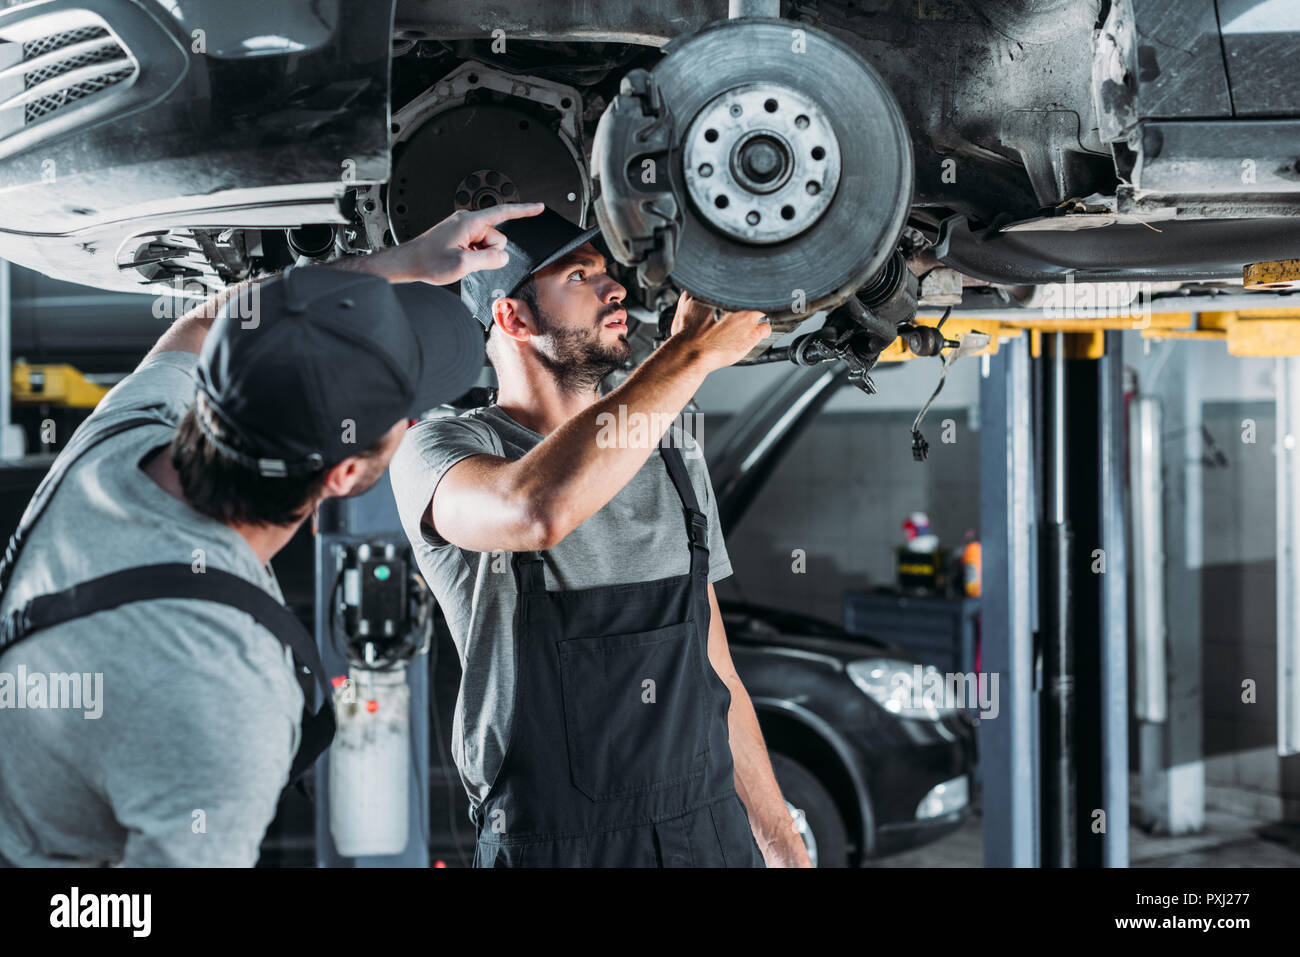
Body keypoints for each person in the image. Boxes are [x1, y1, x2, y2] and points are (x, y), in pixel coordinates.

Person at [0, 203, 544, 866]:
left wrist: (396, 266)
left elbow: (209, 319)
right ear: (345, 473)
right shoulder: (228, 700)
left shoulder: (125, 438)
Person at [389, 208, 813, 867]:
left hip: (706, 834)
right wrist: (688, 353)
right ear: (514, 319)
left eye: (609, 273)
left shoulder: (670, 444)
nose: (615, 289)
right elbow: (535, 511)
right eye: (580, 275)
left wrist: (782, 842)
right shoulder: (442, 449)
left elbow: (715, 668)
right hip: (556, 847)